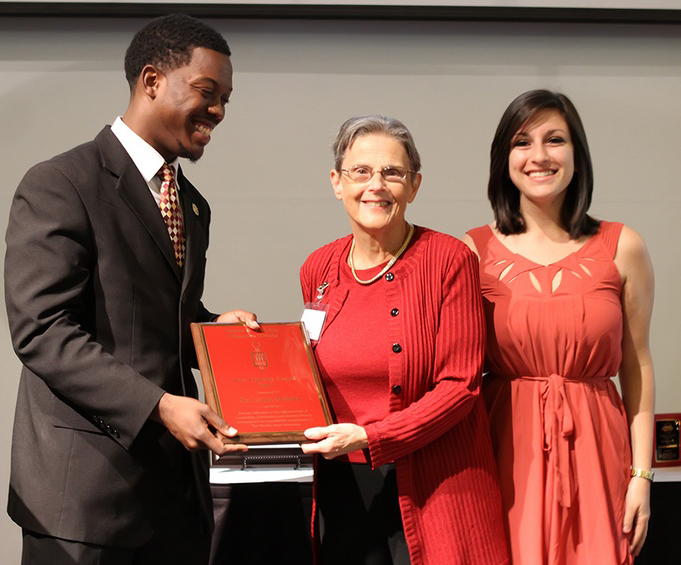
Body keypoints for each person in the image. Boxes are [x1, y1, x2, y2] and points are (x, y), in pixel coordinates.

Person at [4, 13, 259, 565]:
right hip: (83, 501)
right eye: (207, 92)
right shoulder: (60, 183)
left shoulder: (192, 204)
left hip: (173, 501)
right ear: (151, 82)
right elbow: (42, 330)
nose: (217, 111)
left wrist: (213, 332)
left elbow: (158, 318)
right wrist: (160, 405)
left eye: (226, 100)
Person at [299, 115, 509, 565]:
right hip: (341, 487)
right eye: (361, 171)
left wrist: (369, 437)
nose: (376, 185)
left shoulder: (449, 260)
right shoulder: (318, 267)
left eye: (392, 173)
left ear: (414, 186)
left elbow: (460, 387)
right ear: (337, 182)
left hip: (432, 486)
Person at [463, 89, 655, 565]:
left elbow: (638, 367)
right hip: (504, 454)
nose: (539, 156)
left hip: (597, 451)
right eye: (522, 142)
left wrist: (641, 477)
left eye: (555, 140)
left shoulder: (622, 245)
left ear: (577, 154)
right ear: (503, 158)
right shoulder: (471, 251)